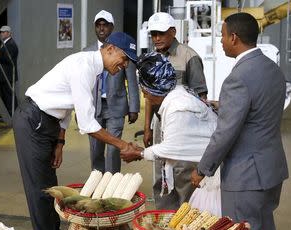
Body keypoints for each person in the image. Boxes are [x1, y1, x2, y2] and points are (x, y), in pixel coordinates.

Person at [191, 13, 288, 230]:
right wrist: (227, 105)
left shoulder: (237, 79)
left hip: (246, 175)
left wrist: (203, 169)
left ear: (234, 38)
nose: (220, 41)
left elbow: (225, 134)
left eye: (222, 35)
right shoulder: (272, 70)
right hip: (271, 171)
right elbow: (261, 112)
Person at [13, 32, 138, 230]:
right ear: (110, 49)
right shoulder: (84, 67)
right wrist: (123, 145)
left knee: (50, 189)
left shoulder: (90, 67)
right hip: (34, 120)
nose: (124, 65)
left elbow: (68, 106)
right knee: (40, 192)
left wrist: (59, 143)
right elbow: (88, 125)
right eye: (124, 58)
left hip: (48, 123)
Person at [121, 52, 217, 210]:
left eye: (145, 89)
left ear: (154, 89)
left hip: (206, 169)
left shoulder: (177, 108)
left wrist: (139, 153)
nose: (144, 94)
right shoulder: (177, 93)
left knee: (192, 208)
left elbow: (170, 148)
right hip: (203, 163)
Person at [144, 12, 208, 207]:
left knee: (182, 176)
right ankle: (163, 221)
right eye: (153, 34)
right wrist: (148, 127)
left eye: (161, 33)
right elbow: (149, 95)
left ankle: (185, 222)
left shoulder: (189, 56)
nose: (156, 38)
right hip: (160, 124)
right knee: (161, 173)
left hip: (183, 128)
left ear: (173, 31)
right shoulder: (151, 58)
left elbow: (201, 100)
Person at [83, 10, 140, 173]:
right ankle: (98, 180)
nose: (101, 29)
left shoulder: (122, 49)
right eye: (98, 25)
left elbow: (132, 79)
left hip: (116, 105)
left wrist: (134, 107)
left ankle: (112, 181)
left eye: (105, 25)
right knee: (95, 149)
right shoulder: (87, 52)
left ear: (112, 27)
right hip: (95, 106)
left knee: (113, 148)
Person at [0, 25, 18, 115]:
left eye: (3, 32)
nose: (1, 34)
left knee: (8, 94)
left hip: (7, 74)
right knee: (5, 94)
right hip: (3, 75)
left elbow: (9, 59)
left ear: (8, 33)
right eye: (1, 32)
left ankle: (12, 112)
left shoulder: (11, 44)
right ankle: (7, 112)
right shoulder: (5, 43)